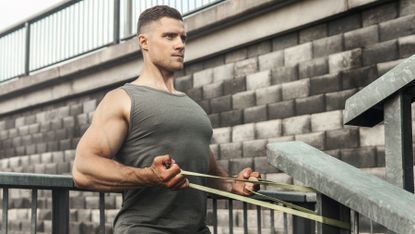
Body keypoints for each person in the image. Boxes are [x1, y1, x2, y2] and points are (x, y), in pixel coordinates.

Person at [72, 5, 260, 234]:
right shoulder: (122, 99)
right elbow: (83, 168)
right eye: (169, 36)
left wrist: (233, 185)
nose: (180, 44)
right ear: (144, 42)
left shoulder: (193, 108)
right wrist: (148, 176)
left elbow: (205, 171)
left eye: (183, 37)